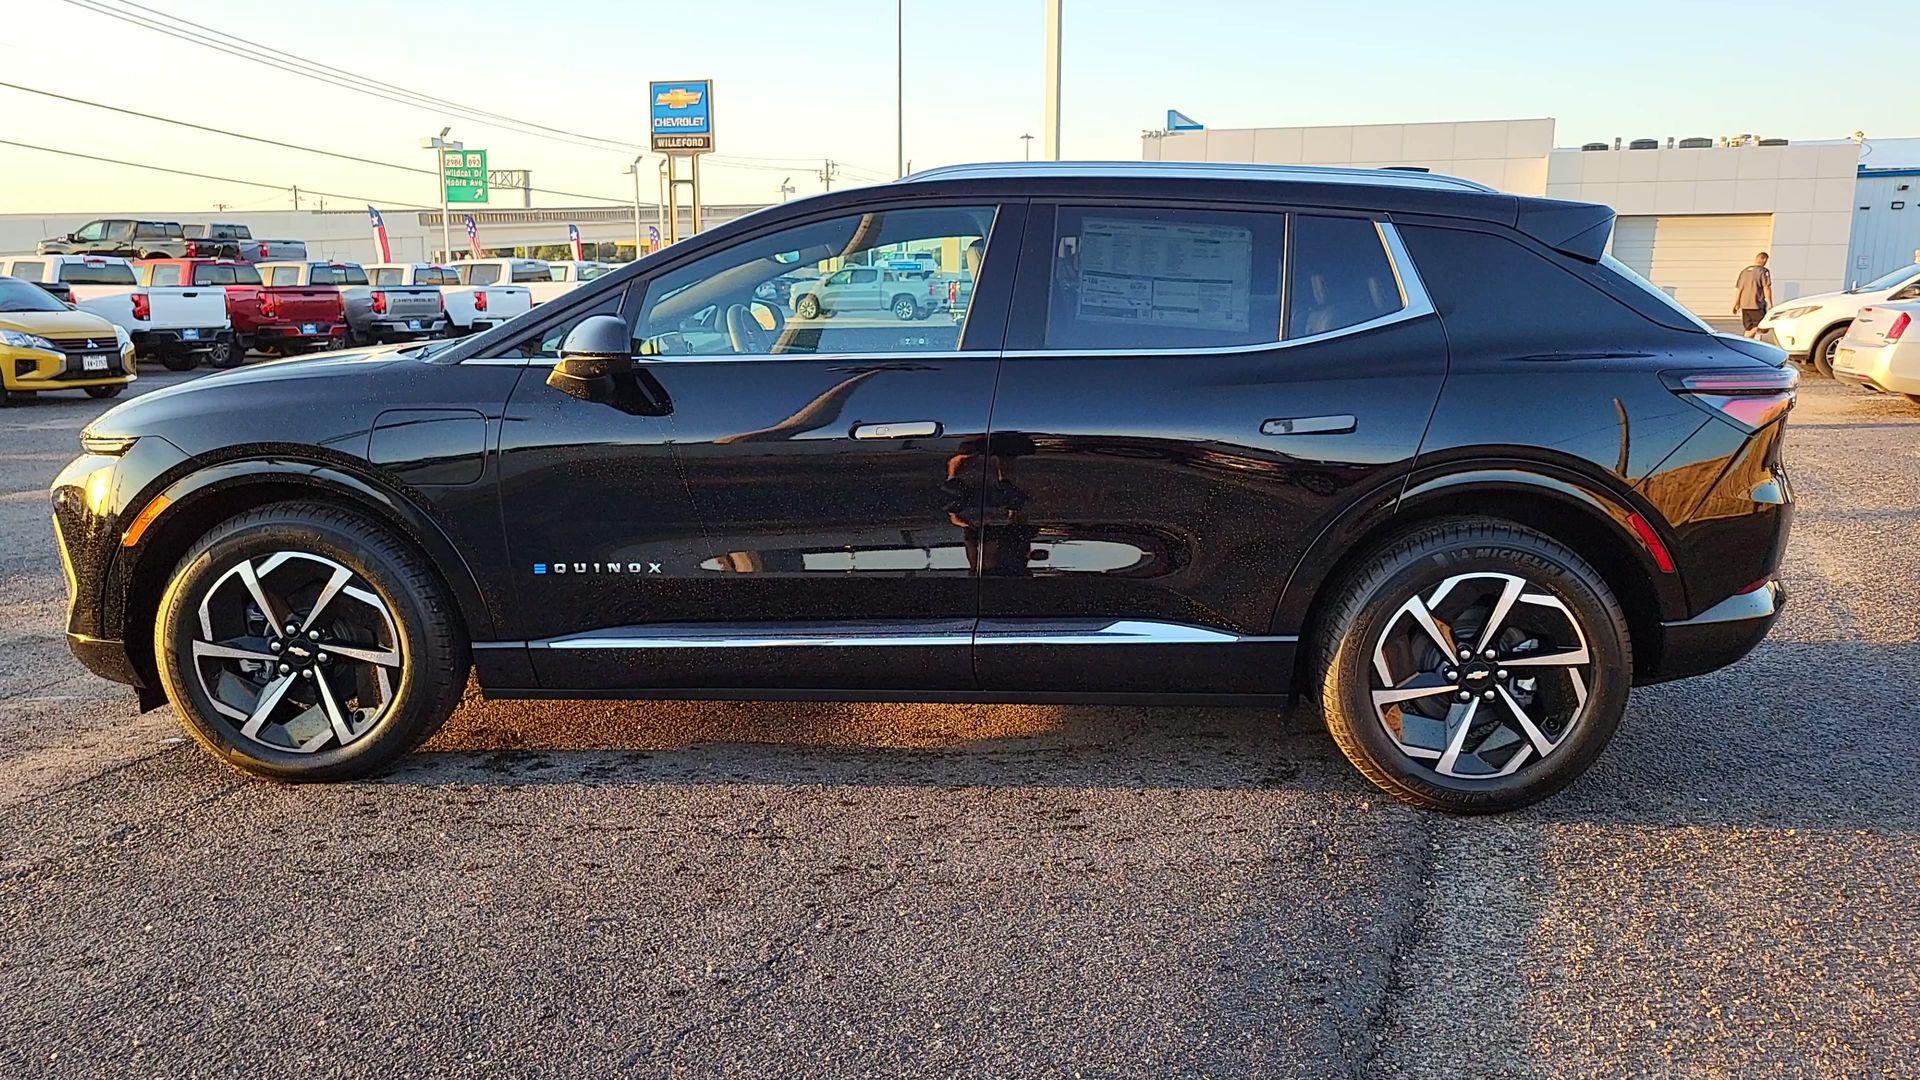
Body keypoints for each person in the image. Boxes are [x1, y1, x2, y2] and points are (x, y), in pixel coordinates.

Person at [1733, 252, 1773, 338]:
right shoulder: (1763, 271)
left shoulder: (1744, 272)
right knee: (1762, 325)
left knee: (1749, 328)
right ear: (1764, 259)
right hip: (1756, 305)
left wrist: (1736, 304)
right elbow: (1766, 287)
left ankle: (1746, 343)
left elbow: (1739, 289)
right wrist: (1770, 303)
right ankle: (1746, 339)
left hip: (1744, 305)